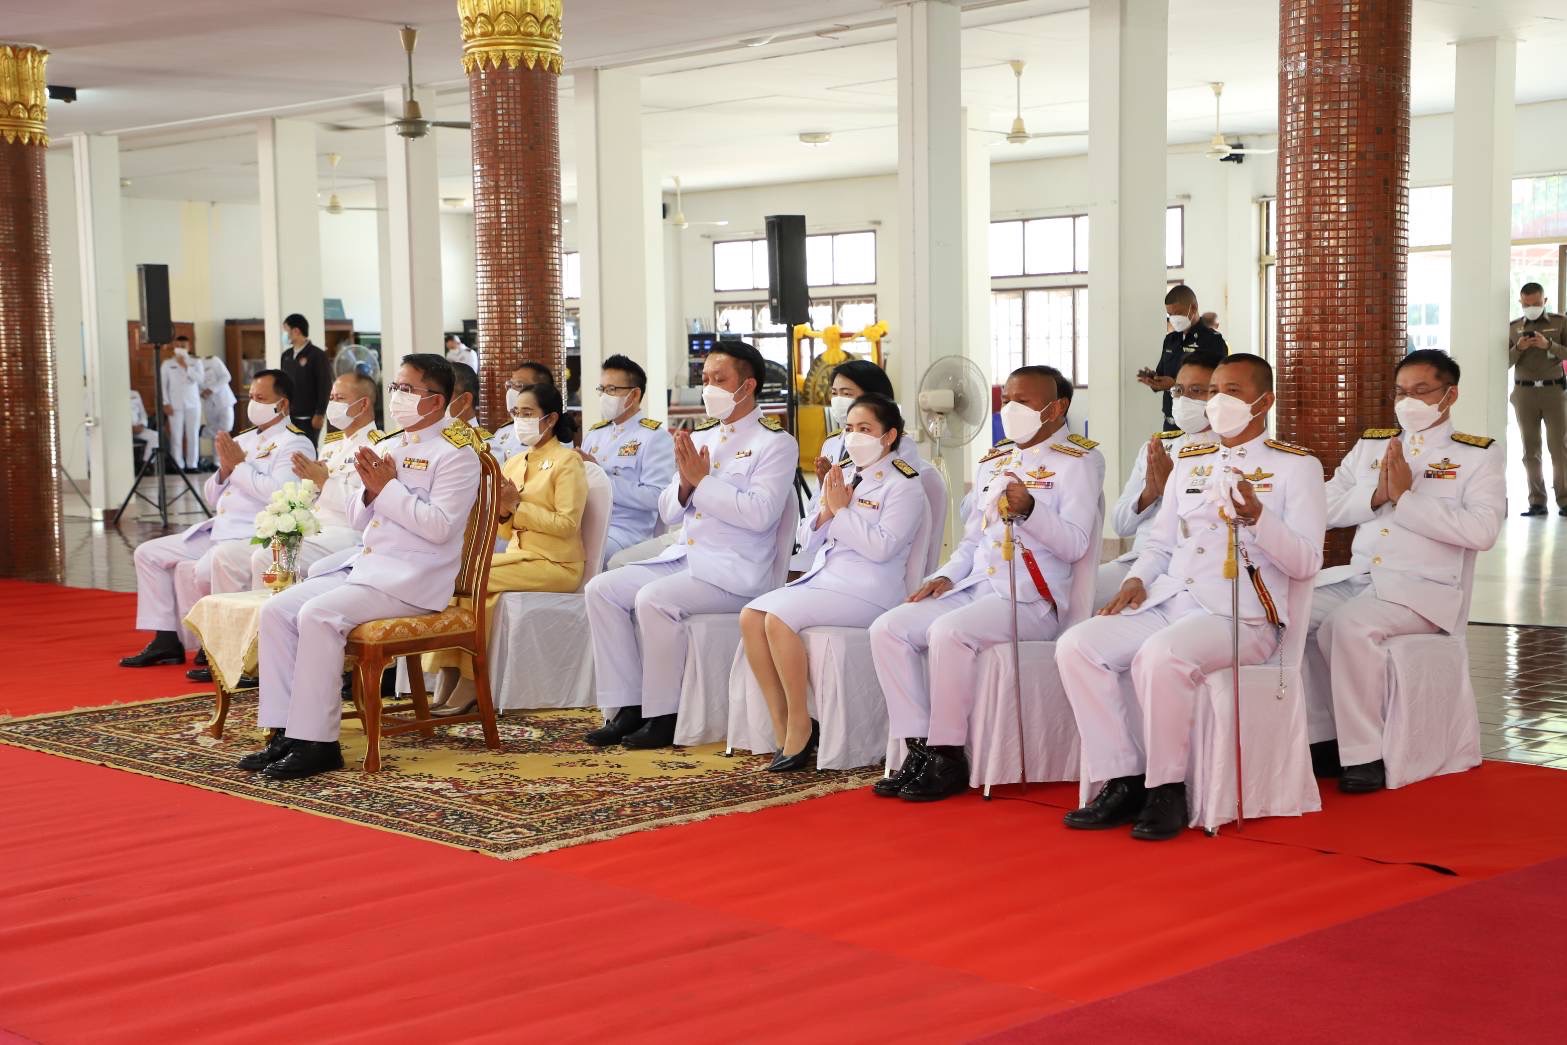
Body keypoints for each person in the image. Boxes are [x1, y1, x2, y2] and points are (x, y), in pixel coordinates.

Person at [1056, 354, 1325, 841]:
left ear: (1264, 402)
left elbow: (1306, 562)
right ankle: (1122, 777)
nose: (1218, 400)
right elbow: (1160, 542)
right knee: (1078, 646)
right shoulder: (1191, 459)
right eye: (1214, 390)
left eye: (1233, 392)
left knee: (1160, 657)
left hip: (1243, 616)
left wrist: (1259, 519)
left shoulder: (1295, 466)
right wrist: (1137, 579)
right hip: (1171, 599)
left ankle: (1167, 788)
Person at [241, 354, 482, 781]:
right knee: (276, 610)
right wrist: (372, 493)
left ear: (435, 400)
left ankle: (318, 743)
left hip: (412, 579)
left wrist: (387, 488)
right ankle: (282, 732)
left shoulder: (457, 454)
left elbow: (441, 528)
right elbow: (356, 519)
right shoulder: (389, 444)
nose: (398, 397)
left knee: (318, 614)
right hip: (368, 566)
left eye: (408, 389)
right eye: (396, 387)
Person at [870, 365, 1104, 802]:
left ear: (1057, 408)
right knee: (889, 628)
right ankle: (917, 746)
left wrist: (1033, 509)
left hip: (1031, 598)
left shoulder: (1080, 460)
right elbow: (973, 540)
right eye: (1007, 400)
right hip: (976, 586)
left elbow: (1075, 544)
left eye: (1025, 402)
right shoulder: (996, 458)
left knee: (948, 632)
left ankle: (947, 753)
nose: (1011, 409)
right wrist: (943, 575)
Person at [583, 340, 798, 750]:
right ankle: (627, 705)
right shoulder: (704, 436)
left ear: (747, 385)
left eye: (720, 379)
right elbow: (668, 510)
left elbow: (760, 514)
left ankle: (664, 714)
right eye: (705, 379)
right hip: (687, 557)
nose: (709, 388)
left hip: (734, 570)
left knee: (653, 599)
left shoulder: (776, 443)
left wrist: (703, 481)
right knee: (601, 590)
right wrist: (685, 483)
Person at [1308, 350, 1505, 793]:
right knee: (1289, 614)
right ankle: (1322, 736)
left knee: (1346, 627)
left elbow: (1482, 530)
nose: (1407, 401)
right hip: (1359, 579)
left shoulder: (1476, 456)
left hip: (1423, 592)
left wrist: (1408, 499)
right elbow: (1319, 506)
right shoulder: (1372, 445)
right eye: (1400, 391)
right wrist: (1375, 496)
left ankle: (1364, 755)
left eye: (1421, 391)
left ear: (1449, 395)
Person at [741, 394, 927, 770]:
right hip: (827, 578)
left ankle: (799, 725)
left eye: (866, 429)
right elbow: (806, 538)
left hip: (870, 591)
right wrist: (827, 508)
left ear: (889, 436)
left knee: (777, 619)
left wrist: (841, 511)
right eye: (849, 428)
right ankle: (782, 723)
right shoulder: (841, 475)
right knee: (750, 616)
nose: (854, 436)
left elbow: (881, 548)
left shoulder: (904, 484)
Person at [120, 370, 316, 669]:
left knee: (199, 570)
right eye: (250, 397)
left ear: (283, 404)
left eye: (261, 398)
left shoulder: (295, 444)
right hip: (219, 529)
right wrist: (225, 471)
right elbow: (212, 495)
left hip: (250, 533)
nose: (253, 404)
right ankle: (166, 639)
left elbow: (280, 494)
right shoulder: (245, 439)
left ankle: (219, 645)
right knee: (148, 553)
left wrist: (237, 468)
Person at [425, 382, 587, 716]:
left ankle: (471, 682)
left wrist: (517, 506)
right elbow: (503, 529)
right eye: (516, 413)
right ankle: (450, 676)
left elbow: (567, 525)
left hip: (557, 564)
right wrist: (503, 510)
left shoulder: (567, 461)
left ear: (551, 418)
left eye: (528, 414)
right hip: (520, 556)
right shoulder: (513, 462)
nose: (519, 420)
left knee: (473, 578)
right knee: (461, 585)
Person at [205, 370, 384, 598]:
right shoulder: (331, 447)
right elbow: (309, 496)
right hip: (314, 529)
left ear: (363, 404)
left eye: (339, 399)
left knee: (268, 557)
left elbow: (368, 505)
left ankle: (266, 627)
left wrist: (323, 482)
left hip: (347, 533)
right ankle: (239, 627)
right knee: (229, 555)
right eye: (331, 398)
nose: (332, 404)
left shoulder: (379, 447)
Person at [1095, 358, 1218, 608]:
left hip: (1194, 565)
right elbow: (1120, 525)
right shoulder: (1158, 447)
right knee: (1081, 595)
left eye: (1196, 391)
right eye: (1178, 391)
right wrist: (1151, 493)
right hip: (1140, 560)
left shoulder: (1229, 450)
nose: (1183, 399)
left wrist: (1170, 490)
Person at [578, 354, 675, 568]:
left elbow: (657, 497)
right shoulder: (595, 434)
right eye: (602, 389)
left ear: (634, 394)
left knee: (583, 555)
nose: (604, 395)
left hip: (626, 531)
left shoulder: (654, 437)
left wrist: (601, 477)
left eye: (612, 389)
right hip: (586, 521)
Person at [1507, 282, 1567, 517]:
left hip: (1554, 393)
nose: (1532, 308)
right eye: (1527, 304)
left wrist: (1548, 344)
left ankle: (1564, 500)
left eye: (1537, 303)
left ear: (1545, 301)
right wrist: (1519, 348)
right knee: (1530, 450)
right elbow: (1504, 362)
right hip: (1524, 394)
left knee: (1559, 448)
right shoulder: (1512, 328)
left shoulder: (1560, 322)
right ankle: (1537, 502)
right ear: (1521, 303)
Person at [1139, 285, 1226, 429]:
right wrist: (1154, 379)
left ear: (1193, 307)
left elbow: (1217, 384)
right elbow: (1162, 372)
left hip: (1200, 423)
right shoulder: (1170, 340)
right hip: (1170, 422)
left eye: (1178, 313)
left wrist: (1174, 385)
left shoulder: (1212, 341)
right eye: (1170, 315)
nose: (1173, 319)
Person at [491, 361, 565, 462]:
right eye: (509, 385)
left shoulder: (559, 438)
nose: (511, 391)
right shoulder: (502, 432)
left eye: (518, 385)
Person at [280, 313, 333, 435]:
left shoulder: (317, 355)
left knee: (307, 451)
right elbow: (283, 385)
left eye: (286, 330)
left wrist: (320, 414)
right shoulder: (286, 356)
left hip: (310, 418)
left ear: (296, 331)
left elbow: (325, 386)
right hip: (289, 417)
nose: (284, 335)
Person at [161, 336, 203, 472]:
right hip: (174, 405)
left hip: (193, 404)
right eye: (178, 345)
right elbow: (163, 385)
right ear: (174, 347)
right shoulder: (167, 364)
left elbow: (200, 379)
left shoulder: (196, 362)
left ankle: (192, 464)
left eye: (183, 345)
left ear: (188, 347)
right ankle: (178, 464)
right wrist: (165, 403)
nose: (181, 348)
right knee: (176, 436)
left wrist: (186, 367)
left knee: (193, 435)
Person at [197, 346, 237, 461]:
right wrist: (201, 392)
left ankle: (202, 431)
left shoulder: (212, 361)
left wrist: (211, 389)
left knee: (226, 427)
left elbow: (226, 377)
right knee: (218, 436)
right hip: (209, 403)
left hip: (224, 400)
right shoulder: (190, 370)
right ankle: (217, 462)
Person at [130, 389, 158, 465]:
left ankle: (146, 464)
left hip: (137, 428)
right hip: (122, 430)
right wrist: (129, 428)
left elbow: (143, 413)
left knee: (155, 436)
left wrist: (142, 425)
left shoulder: (135, 393)